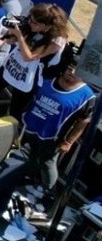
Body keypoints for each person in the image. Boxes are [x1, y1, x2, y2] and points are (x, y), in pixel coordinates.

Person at [0, 3, 68, 122]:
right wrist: (10, 34)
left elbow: (29, 57)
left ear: (47, 26)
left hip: (29, 75)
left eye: (34, 23)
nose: (30, 23)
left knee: (16, 110)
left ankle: (13, 136)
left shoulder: (56, 41)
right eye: (30, 19)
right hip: (13, 64)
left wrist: (20, 36)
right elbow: (11, 41)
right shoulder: (30, 24)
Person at [21, 45, 95, 197]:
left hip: (52, 137)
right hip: (30, 126)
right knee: (30, 155)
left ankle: (49, 191)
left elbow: (83, 122)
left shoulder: (87, 97)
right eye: (70, 69)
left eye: (76, 72)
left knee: (47, 164)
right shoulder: (49, 78)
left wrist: (68, 142)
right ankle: (29, 178)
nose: (71, 73)